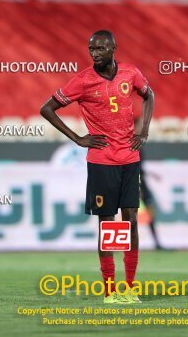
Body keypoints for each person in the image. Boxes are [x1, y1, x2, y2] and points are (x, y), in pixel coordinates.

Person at [40, 30, 154, 304]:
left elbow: (149, 95)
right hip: (102, 161)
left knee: (131, 222)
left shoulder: (130, 73)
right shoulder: (82, 80)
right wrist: (78, 138)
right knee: (108, 224)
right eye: (91, 49)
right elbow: (47, 108)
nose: (95, 53)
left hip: (129, 158)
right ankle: (110, 290)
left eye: (100, 48)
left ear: (114, 47)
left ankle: (129, 288)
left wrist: (144, 131)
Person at [134, 117, 164, 250]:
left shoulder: (138, 143)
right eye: (140, 125)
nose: (142, 127)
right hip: (135, 184)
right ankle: (120, 245)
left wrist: (151, 175)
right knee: (129, 215)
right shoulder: (131, 144)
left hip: (141, 183)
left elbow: (139, 167)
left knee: (148, 214)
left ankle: (157, 243)